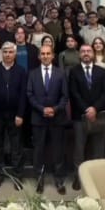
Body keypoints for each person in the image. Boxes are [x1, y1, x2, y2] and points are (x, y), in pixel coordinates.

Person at [0, 41, 27, 189]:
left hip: (15, 115)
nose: (8, 54)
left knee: (16, 147)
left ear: (15, 54)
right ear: (1, 53)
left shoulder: (21, 71)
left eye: (11, 52)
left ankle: (17, 175)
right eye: (5, 52)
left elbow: (23, 95)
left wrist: (20, 114)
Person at [27, 45, 69, 194]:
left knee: (58, 150)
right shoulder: (32, 73)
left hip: (57, 118)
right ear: (39, 56)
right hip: (39, 118)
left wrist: (54, 109)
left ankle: (59, 180)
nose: (45, 56)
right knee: (38, 150)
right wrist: (42, 109)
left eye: (48, 53)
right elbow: (30, 94)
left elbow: (65, 96)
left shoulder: (61, 73)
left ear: (52, 56)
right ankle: (39, 179)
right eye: (43, 54)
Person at [69, 44, 105, 189]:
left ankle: (97, 178)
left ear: (93, 54)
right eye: (83, 51)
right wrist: (87, 109)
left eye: (88, 51)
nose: (86, 53)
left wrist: (95, 108)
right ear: (79, 54)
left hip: (99, 115)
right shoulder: (74, 71)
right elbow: (74, 93)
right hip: (80, 115)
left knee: (99, 149)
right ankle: (78, 177)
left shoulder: (101, 71)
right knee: (79, 149)